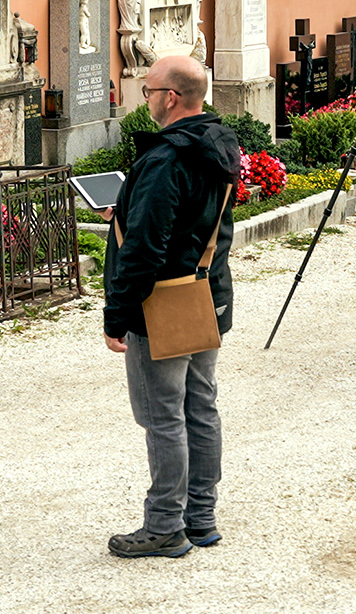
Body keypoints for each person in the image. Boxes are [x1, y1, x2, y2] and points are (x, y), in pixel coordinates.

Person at [101, 56, 242, 558]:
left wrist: (116, 314)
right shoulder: (219, 143)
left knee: (163, 415)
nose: (146, 98)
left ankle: (164, 524)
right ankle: (200, 516)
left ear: (171, 97)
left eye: (148, 89)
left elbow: (145, 249)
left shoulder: (165, 159)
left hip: (162, 303)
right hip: (205, 294)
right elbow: (191, 220)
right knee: (200, 406)